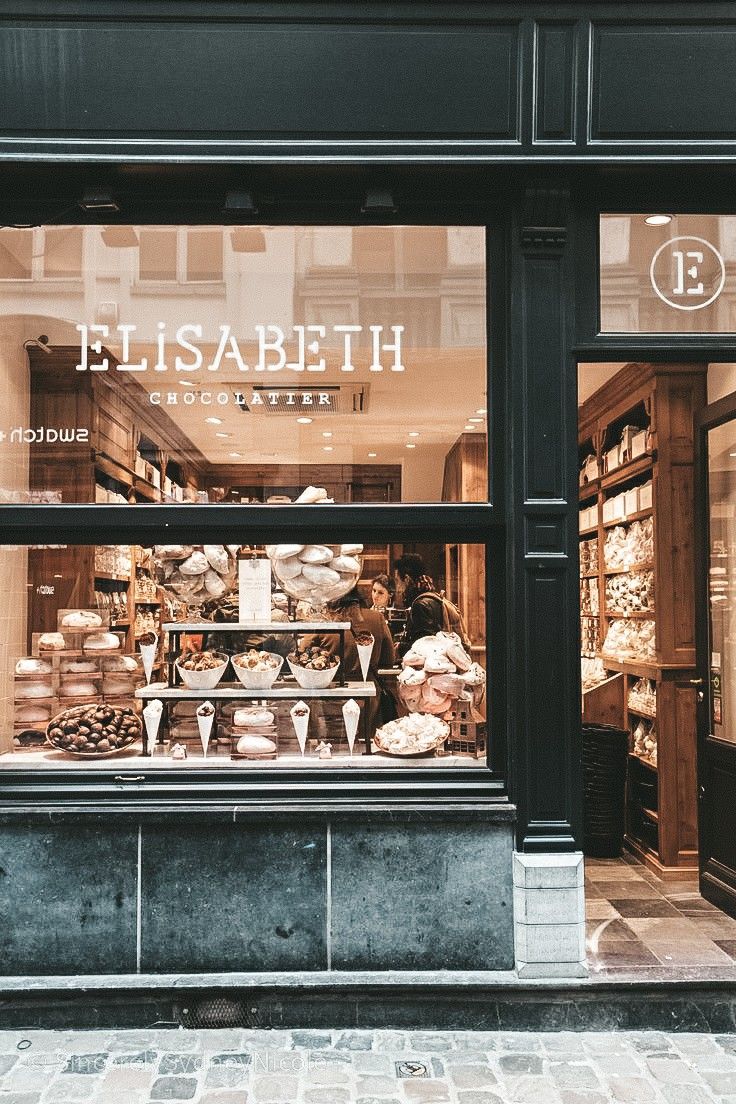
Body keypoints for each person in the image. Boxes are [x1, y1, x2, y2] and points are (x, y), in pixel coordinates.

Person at [300, 587, 395, 731]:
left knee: (334, 744)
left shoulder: (324, 621)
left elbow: (302, 654)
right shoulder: (377, 618)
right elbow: (389, 659)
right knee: (366, 743)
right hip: (368, 695)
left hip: (331, 695)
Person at [394, 552, 471, 657]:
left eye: (398, 581)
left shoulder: (420, 605)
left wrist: (400, 647)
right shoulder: (434, 597)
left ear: (407, 579)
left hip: (432, 669)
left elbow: (425, 645)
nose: (398, 587)